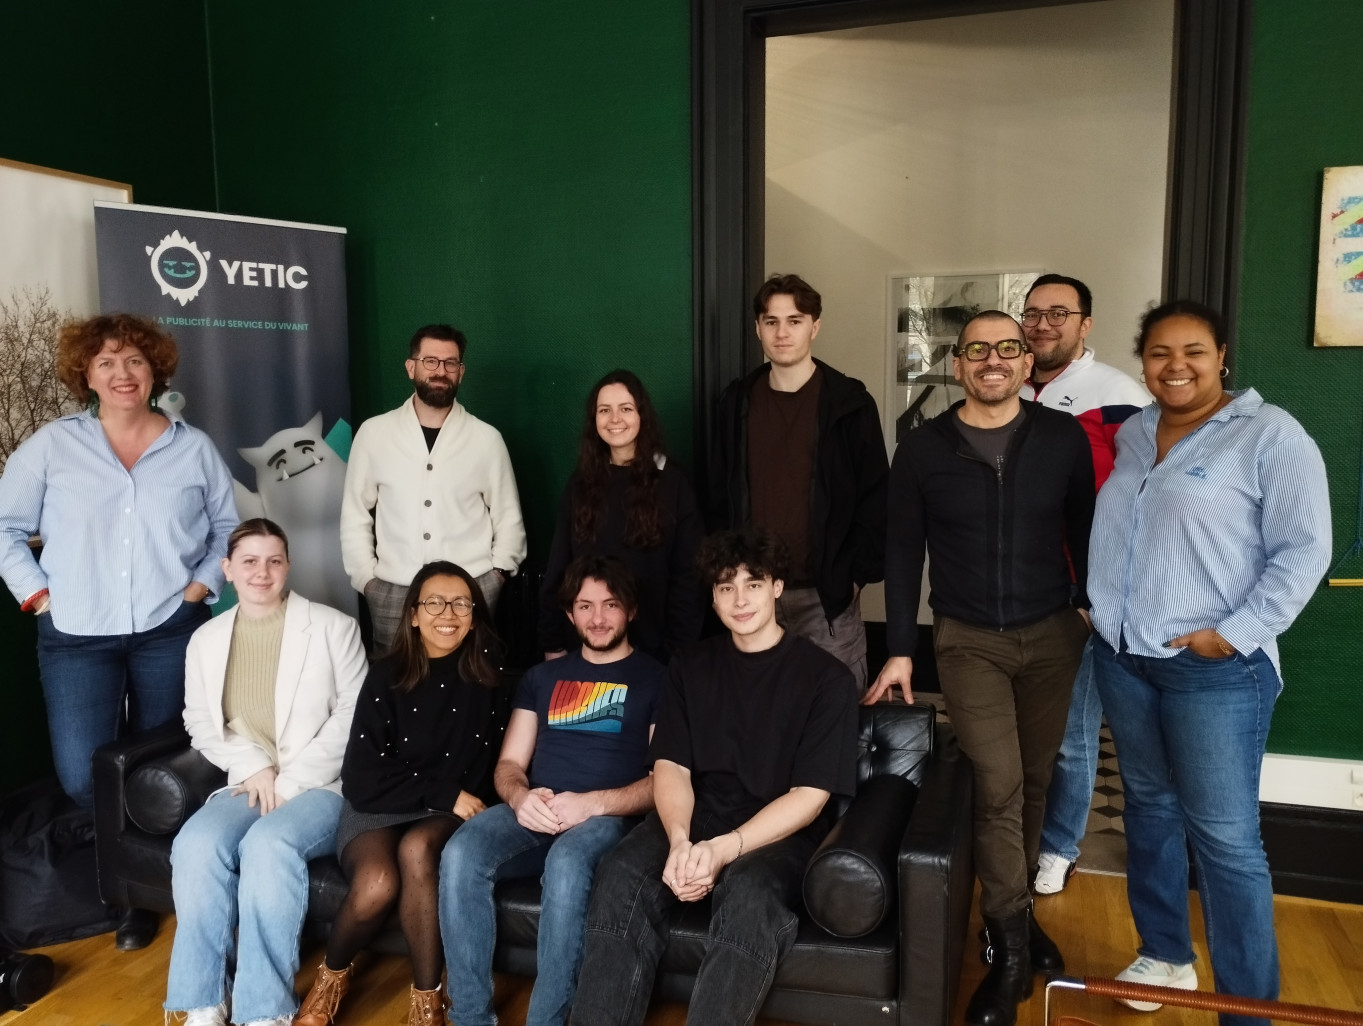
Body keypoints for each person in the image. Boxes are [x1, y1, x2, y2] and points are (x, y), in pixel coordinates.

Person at [1088, 300, 1330, 1025]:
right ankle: (1165, 954)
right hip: (1125, 659)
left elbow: (1304, 550)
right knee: (1149, 813)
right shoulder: (1133, 433)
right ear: (1142, 361)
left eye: (1192, 351)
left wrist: (1232, 633)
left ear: (1221, 355)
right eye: (1160, 353)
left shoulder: (1267, 435)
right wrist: (1097, 606)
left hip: (1215, 672)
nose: (1175, 366)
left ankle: (1244, 1010)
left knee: (1224, 840)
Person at [866, 311, 1095, 1026]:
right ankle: (1007, 946)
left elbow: (1084, 528)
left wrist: (1088, 604)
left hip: (1052, 636)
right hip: (967, 641)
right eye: (976, 351)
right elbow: (902, 553)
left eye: (1007, 349)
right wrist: (901, 646)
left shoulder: (1060, 439)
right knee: (995, 786)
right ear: (956, 364)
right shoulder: (922, 449)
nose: (992, 361)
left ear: (1027, 363)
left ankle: (1013, 917)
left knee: (1033, 779)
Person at [0, 312, 237, 949]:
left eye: (133, 360)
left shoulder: (192, 448)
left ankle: (149, 891)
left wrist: (199, 589)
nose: (121, 373)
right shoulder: (53, 446)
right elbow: (5, 527)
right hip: (75, 633)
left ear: (155, 369)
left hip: (169, 626)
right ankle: (118, 885)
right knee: (84, 773)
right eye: (106, 362)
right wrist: (39, 596)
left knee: (162, 766)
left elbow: (227, 530)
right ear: (86, 373)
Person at [569, 527, 859, 1026]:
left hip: (777, 831)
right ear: (713, 597)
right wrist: (680, 841)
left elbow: (810, 796)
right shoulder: (690, 666)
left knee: (747, 897)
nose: (739, 599)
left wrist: (726, 848)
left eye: (752, 583)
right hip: (695, 814)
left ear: (776, 587)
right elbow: (671, 766)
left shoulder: (826, 678)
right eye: (725, 588)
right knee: (619, 877)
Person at [442, 555, 663, 1026]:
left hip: (607, 817)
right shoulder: (542, 679)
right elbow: (508, 765)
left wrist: (592, 804)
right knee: (462, 851)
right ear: (569, 614)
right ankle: (469, 1018)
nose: (597, 618)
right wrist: (521, 798)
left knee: (566, 863)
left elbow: (660, 782)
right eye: (585, 606)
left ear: (632, 610)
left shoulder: (657, 679)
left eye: (610, 605)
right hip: (538, 808)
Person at [165, 519, 367, 1026]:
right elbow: (199, 722)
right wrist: (253, 765)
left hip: (323, 784)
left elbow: (354, 717)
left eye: (274, 560)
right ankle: (204, 1001)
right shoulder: (205, 640)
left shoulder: (333, 626)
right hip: (251, 780)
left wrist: (291, 781)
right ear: (228, 569)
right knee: (195, 843)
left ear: (288, 567)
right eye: (249, 561)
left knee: (269, 845)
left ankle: (264, 1008)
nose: (262, 572)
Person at [293, 561, 506, 1026]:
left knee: (418, 848)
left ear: (473, 614)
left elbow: (495, 765)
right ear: (412, 614)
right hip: (382, 801)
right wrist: (444, 792)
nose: (446, 613)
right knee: (375, 885)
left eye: (460, 603)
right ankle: (331, 979)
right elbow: (361, 776)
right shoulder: (386, 674)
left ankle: (427, 1002)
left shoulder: (494, 672)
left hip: (445, 809)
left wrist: (455, 799)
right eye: (433, 602)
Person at [1018, 274, 1149, 895]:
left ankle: (1059, 844)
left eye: (1059, 313)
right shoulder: (1008, 383)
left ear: (1085, 324)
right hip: (1016, 592)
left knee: (1070, 735)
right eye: (1034, 312)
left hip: (1085, 597)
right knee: (1014, 728)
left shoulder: (1117, 393)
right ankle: (1011, 834)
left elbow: (1143, 495)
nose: (1043, 324)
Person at [709, 274, 888, 687]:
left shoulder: (850, 403)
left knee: (835, 713)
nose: (782, 332)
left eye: (795, 320)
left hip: (825, 595)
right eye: (771, 322)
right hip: (750, 591)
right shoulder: (735, 402)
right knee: (757, 713)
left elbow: (877, 497)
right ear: (757, 329)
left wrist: (855, 576)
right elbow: (718, 494)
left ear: (815, 326)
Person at [340, 324, 527, 651]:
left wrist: (495, 577)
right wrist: (367, 580)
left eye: (450, 363)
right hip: (393, 590)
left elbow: (509, 518)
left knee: (469, 685)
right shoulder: (375, 434)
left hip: (469, 590)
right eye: (430, 361)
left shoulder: (486, 439)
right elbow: (354, 515)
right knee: (395, 689)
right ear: (411, 367)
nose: (440, 371)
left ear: (461, 372)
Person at [538, 370, 703, 662]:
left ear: (642, 415)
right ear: (594, 420)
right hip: (586, 650)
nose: (615, 419)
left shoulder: (674, 484)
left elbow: (689, 577)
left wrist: (678, 652)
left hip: (656, 652)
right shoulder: (579, 484)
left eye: (626, 409)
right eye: (605, 410)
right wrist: (553, 642)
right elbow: (558, 569)